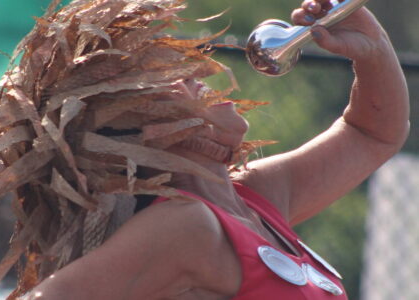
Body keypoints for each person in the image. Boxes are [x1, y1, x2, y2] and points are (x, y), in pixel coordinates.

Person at [21, 0, 409, 299]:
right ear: (143, 132)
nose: (198, 74)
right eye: (170, 80)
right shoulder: (185, 224)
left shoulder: (253, 199)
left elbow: (373, 134)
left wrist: (372, 47)